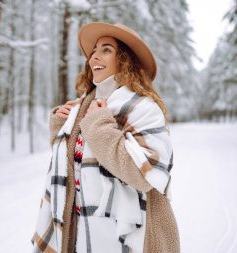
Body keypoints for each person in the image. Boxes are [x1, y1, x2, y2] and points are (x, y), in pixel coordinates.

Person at [32, 22, 180, 253]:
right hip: (81, 233)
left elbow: (143, 175)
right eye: (93, 51)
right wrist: (62, 130)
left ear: (125, 59)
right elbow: (78, 164)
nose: (94, 57)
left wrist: (99, 125)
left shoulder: (143, 107)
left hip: (124, 237)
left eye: (106, 50)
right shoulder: (84, 106)